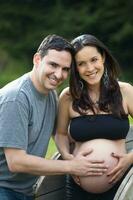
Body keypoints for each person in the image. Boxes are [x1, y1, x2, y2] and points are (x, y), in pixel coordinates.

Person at [0, 34, 108, 200]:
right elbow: (16, 161)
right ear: (37, 60)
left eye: (65, 69)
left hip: (24, 191)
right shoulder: (17, 98)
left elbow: (59, 133)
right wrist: (71, 166)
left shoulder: (50, 94)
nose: (58, 74)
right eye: (53, 65)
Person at [55, 34, 133, 200]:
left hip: (123, 186)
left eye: (94, 60)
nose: (89, 68)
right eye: (81, 64)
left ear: (103, 57)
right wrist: (69, 160)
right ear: (75, 68)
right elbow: (60, 134)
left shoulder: (125, 92)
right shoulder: (68, 97)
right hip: (77, 188)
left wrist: (129, 159)